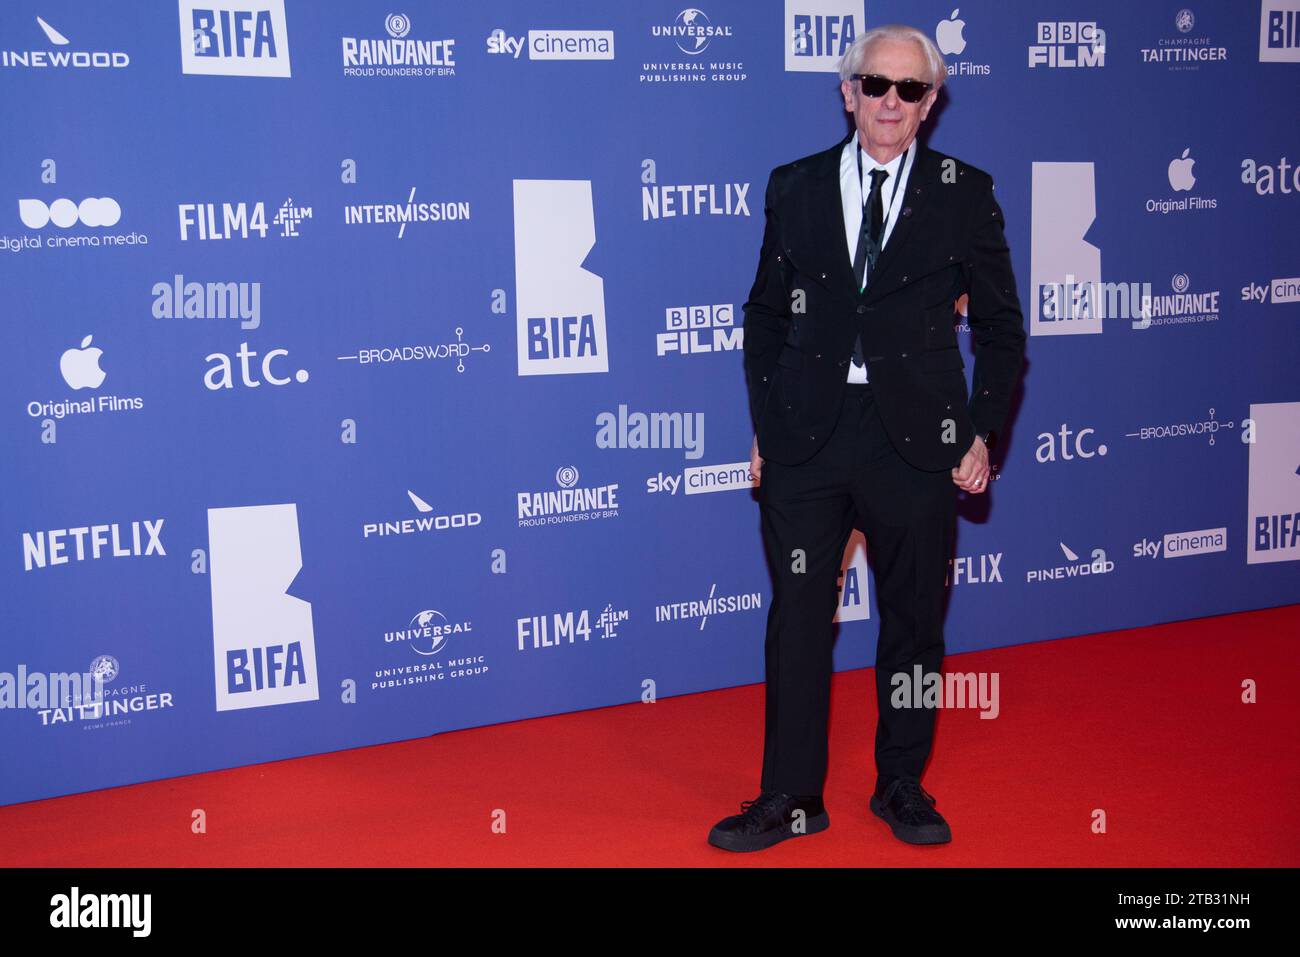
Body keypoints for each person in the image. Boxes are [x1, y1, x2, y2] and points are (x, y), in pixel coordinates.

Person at [709, 24, 1026, 852]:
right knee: (799, 616)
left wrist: (981, 430)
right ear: (847, 92)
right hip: (809, 437)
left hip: (917, 441)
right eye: (875, 85)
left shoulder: (966, 192)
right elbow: (765, 316)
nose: (891, 101)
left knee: (914, 619)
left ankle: (901, 782)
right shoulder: (797, 186)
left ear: (931, 104)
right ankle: (789, 795)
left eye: (909, 90)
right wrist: (766, 423)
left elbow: (999, 327)